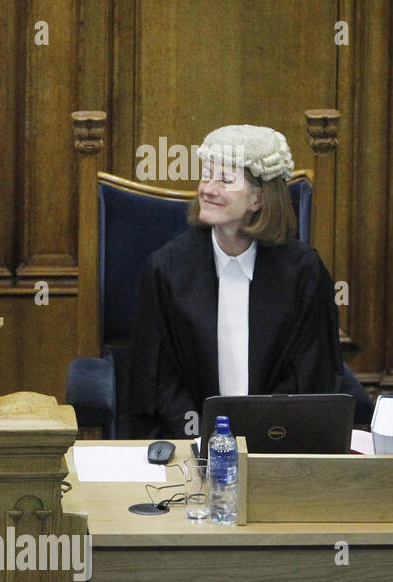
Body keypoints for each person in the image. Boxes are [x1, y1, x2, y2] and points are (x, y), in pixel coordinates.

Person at [127, 124, 342, 439]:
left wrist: (263, 435)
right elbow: (158, 377)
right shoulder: (166, 270)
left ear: (258, 198)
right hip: (189, 448)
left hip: (276, 447)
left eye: (225, 180)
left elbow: (310, 375)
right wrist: (202, 439)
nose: (208, 189)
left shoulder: (303, 273)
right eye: (206, 175)